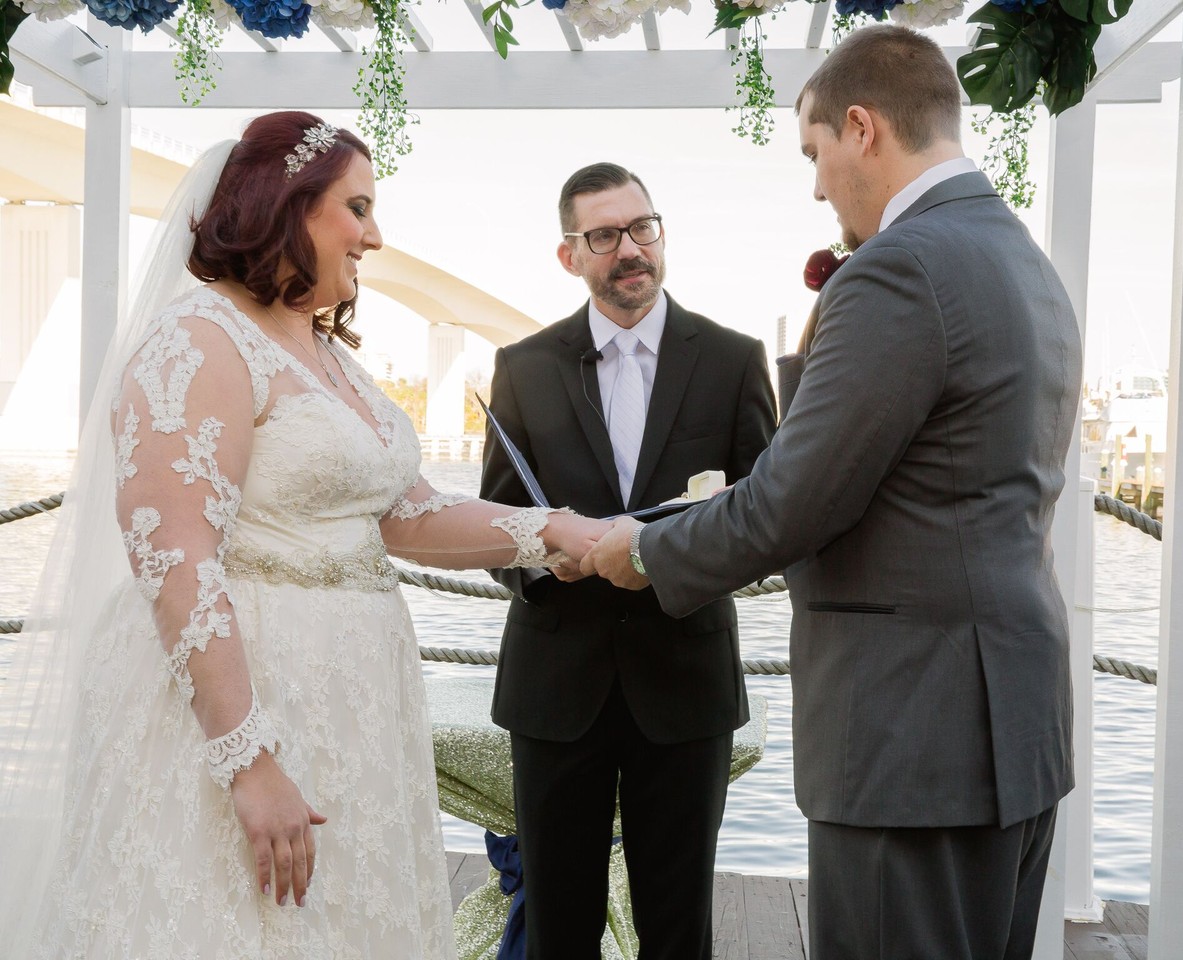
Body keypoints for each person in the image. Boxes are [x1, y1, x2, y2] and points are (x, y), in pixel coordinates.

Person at [0, 111, 607, 958]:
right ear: (287, 205)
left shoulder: (322, 352)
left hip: (354, 717)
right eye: (358, 208)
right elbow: (174, 557)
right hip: (243, 716)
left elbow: (405, 513)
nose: (376, 236)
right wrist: (248, 763)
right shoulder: (198, 338)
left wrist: (557, 532)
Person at [583, 26, 1082, 960]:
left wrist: (642, 549)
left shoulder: (903, 267)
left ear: (862, 129)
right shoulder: (1022, 259)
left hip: (911, 739)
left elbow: (790, 502)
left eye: (814, 153)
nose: (816, 186)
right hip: (1014, 727)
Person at [479, 161, 777, 959]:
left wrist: (661, 558)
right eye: (604, 236)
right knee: (557, 930)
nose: (629, 250)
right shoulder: (524, 366)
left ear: (661, 233)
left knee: (679, 933)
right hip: (556, 688)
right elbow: (495, 524)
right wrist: (546, 561)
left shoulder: (733, 360)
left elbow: (763, 519)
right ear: (570, 254)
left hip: (684, 685)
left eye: (641, 228)